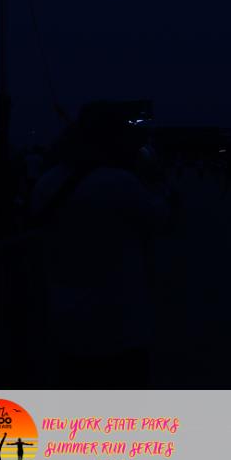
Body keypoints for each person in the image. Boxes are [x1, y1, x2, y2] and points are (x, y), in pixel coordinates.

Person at [31, 102, 171, 388]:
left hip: (64, 319)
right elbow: (162, 220)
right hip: (120, 323)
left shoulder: (48, 182)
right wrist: (156, 181)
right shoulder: (121, 182)